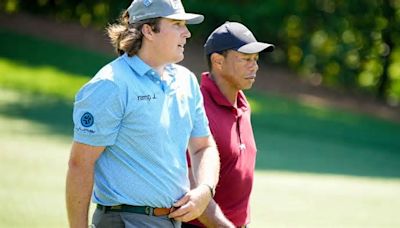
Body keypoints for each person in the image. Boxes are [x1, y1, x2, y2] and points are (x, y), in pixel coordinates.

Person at [65, 0, 220, 227]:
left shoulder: (186, 81)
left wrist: (205, 190)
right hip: (125, 220)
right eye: (177, 24)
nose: (186, 33)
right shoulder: (111, 84)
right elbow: (80, 165)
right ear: (148, 30)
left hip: (171, 221)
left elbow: (203, 146)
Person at [183, 22, 274, 228]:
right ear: (218, 61)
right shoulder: (197, 107)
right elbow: (191, 186)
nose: (255, 66)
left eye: (256, 59)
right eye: (246, 59)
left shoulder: (242, 104)